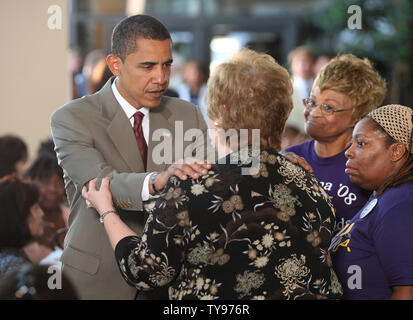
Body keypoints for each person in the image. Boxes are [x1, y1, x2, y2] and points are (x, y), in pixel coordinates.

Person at [82, 49, 343, 300]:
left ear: (219, 113)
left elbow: (147, 272)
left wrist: (106, 211)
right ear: (281, 115)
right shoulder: (309, 182)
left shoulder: (191, 186)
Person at [50, 14, 212, 299]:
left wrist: (278, 162)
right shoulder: (72, 117)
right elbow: (98, 183)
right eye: (148, 66)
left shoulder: (189, 114)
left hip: (171, 279)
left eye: (167, 65)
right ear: (116, 65)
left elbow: (212, 182)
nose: (161, 78)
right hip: (97, 279)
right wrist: (158, 181)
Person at [285, 54, 387, 233]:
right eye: (312, 102)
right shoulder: (290, 158)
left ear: (356, 117)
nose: (314, 113)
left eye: (328, 107)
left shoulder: (369, 169)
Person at [330, 104, 413, 300]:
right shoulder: (384, 195)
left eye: (360, 143)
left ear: (396, 151)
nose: (348, 152)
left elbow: (407, 293)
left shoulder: (399, 203)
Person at [0, 178, 49, 278]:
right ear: (18, 216)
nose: (41, 213)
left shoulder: (13, 256)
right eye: (35, 208)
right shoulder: (12, 264)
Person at [25, 153, 69, 250]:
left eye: (58, 182)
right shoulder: (22, 219)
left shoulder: (70, 217)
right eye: (45, 182)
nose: (52, 189)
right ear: (30, 181)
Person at [282, 46, 315, 150]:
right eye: (299, 62)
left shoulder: (320, 88)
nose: (303, 66)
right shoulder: (286, 89)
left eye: (306, 61)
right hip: (292, 142)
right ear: (292, 66)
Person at [176, 60, 209, 125]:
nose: (195, 75)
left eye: (197, 71)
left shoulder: (208, 90)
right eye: (191, 72)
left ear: (202, 74)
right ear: (184, 74)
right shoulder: (178, 91)